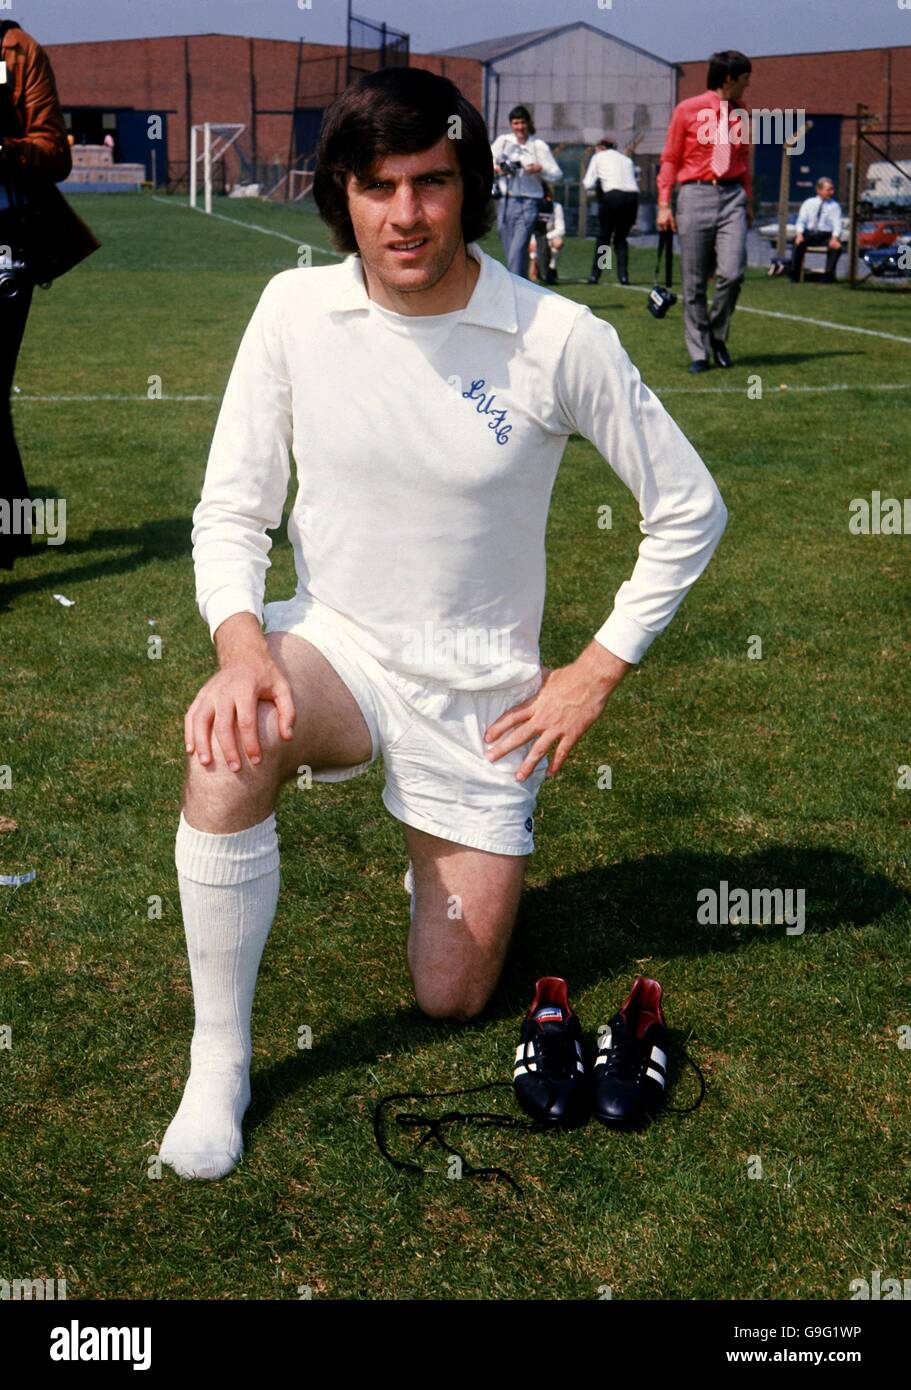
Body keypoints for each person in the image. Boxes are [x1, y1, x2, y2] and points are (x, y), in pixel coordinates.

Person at [159, 66, 727, 1180]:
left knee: (452, 994)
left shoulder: (556, 339)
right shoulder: (292, 310)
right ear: (342, 195)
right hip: (338, 648)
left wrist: (591, 672)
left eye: (430, 182)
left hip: (479, 699)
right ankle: (216, 1061)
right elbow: (231, 507)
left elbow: (689, 509)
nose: (406, 214)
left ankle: (443, 845)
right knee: (230, 744)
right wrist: (239, 648)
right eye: (378, 187)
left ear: (469, 184)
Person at [0, 20, 99, 575]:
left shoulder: (18, 50)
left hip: (7, 238)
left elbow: (54, 151)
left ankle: (7, 534)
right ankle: (13, 528)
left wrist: (5, 149)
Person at [657, 50, 752, 373]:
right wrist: (663, 204)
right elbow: (670, 158)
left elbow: (744, 162)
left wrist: (747, 199)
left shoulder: (741, 114)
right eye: (744, 78)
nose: (747, 85)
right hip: (695, 193)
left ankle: (717, 334)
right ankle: (699, 350)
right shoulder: (687, 110)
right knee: (694, 282)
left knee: (732, 272)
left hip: (732, 195)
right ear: (729, 78)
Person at [490, 104, 562, 277]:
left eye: (522, 123)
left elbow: (557, 174)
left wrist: (540, 168)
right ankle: (522, 286)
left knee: (518, 248)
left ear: (528, 123)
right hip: (506, 201)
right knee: (512, 252)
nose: (519, 127)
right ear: (511, 125)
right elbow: (487, 162)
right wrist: (498, 168)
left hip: (529, 202)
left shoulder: (538, 145)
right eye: (516, 123)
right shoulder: (503, 141)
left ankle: (512, 288)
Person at [583, 138, 639, 285]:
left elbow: (588, 183)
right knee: (621, 238)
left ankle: (597, 274)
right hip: (632, 198)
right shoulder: (626, 160)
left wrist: (597, 187)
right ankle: (623, 277)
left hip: (614, 196)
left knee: (604, 237)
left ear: (600, 147)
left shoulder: (599, 156)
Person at [790, 177, 843, 283]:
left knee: (836, 247)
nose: (831, 192)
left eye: (832, 189)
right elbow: (801, 221)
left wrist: (835, 238)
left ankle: (828, 275)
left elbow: (837, 224)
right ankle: (795, 274)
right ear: (819, 190)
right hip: (810, 234)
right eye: (828, 190)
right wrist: (799, 234)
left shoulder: (834, 206)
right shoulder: (809, 203)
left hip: (825, 235)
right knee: (797, 242)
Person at [528, 184, 565, 283]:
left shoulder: (556, 207)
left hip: (549, 236)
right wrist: (534, 241)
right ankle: (536, 263)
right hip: (536, 236)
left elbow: (561, 229)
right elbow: (530, 228)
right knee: (533, 246)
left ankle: (551, 268)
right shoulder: (533, 206)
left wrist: (545, 238)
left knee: (558, 243)